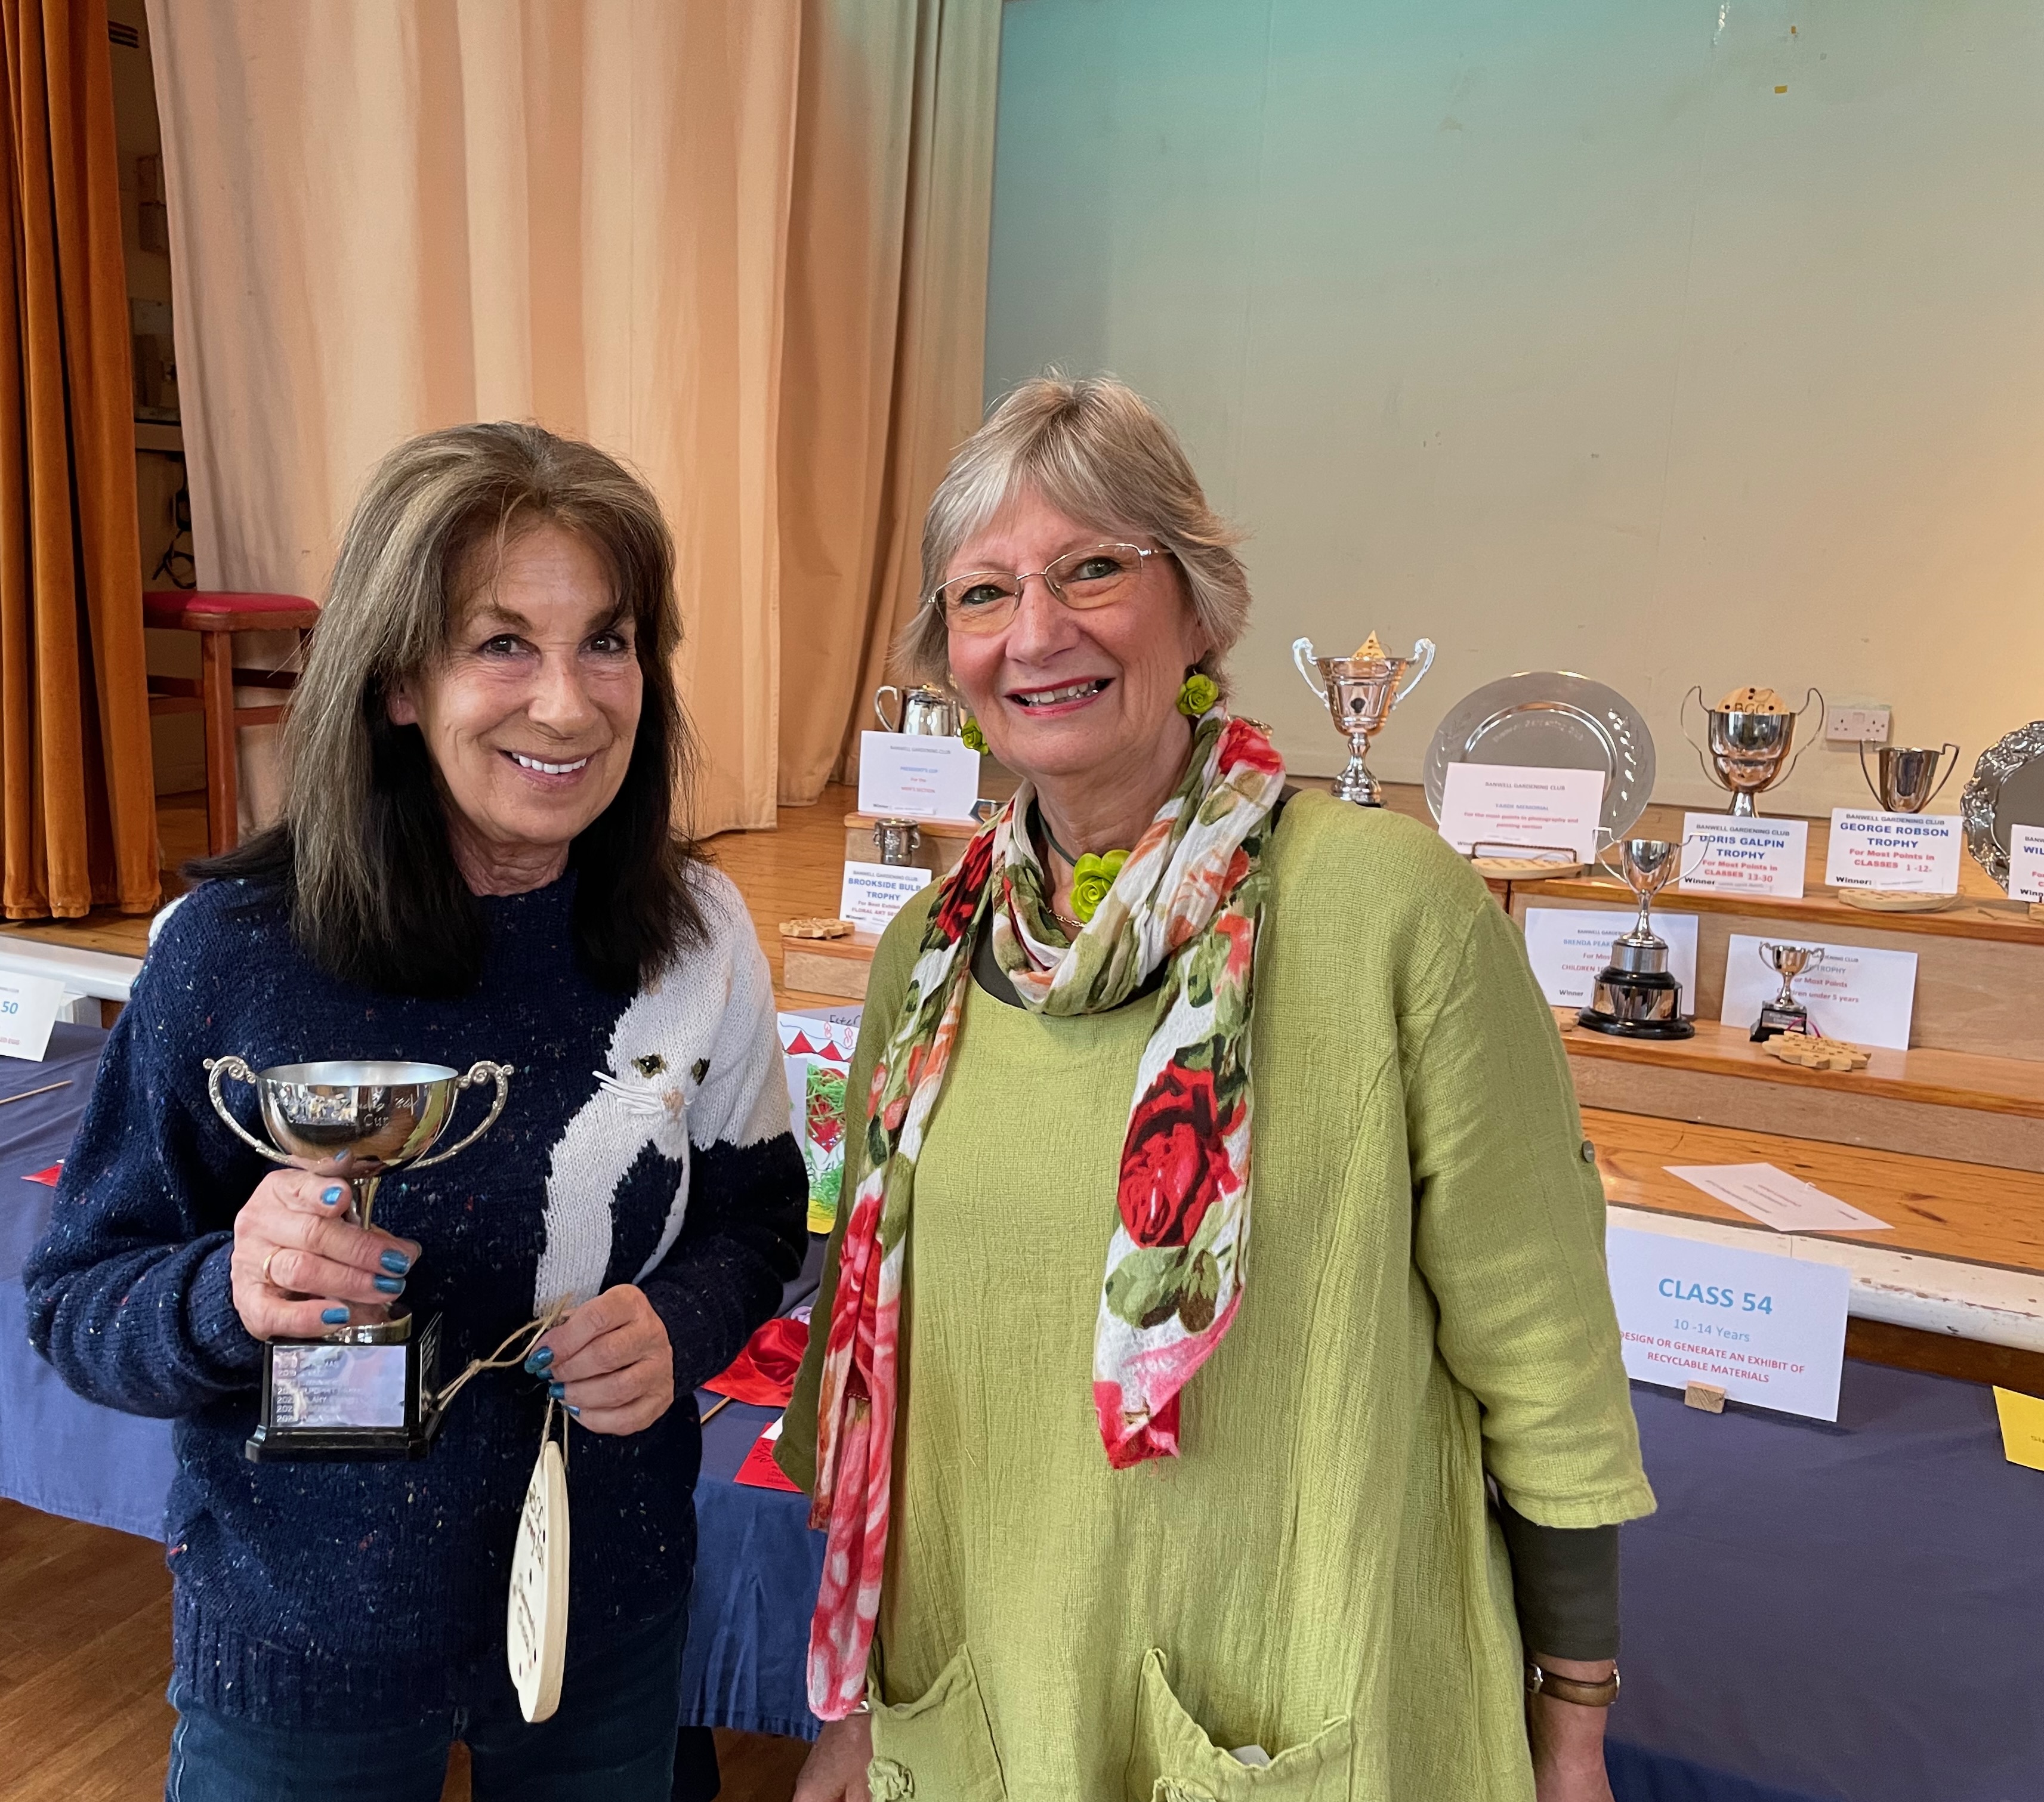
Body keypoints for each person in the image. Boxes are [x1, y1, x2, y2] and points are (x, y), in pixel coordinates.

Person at [778, 375, 1654, 1802]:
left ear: (1199, 608)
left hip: (1300, 1685)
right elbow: (867, 1368)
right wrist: (851, 1708)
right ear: (952, 655)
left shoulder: (1393, 912)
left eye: (1092, 568)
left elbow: (1541, 1343)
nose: (1037, 631)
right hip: (989, 1694)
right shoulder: (924, 957)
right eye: (985, 593)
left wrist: (1574, 1722)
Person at [26, 423, 808, 1801]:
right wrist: (229, 1291)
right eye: (502, 643)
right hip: (299, 1649)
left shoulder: (698, 934)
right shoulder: (228, 949)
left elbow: (757, 1213)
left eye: (608, 641)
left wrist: (679, 1321)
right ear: (396, 679)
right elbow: (79, 1298)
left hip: (603, 1616)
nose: (567, 705)